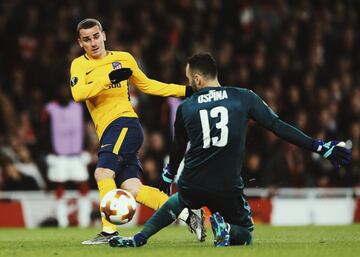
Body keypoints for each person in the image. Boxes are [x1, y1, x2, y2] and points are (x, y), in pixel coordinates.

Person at [108, 52, 352, 248]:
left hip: (193, 180)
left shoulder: (186, 107)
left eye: (188, 78)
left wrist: (168, 175)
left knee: (179, 200)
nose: (188, 83)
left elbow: (178, 146)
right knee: (245, 233)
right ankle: (225, 229)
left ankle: (139, 239)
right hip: (227, 184)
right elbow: (277, 127)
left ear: (198, 80)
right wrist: (318, 146)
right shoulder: (243, 97)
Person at [69, 18, 204, 244]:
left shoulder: (124, 59)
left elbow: (148, 85)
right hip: (110, 131)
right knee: (132, 188)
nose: (93, 42)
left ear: (104, 35)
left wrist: (186, 90)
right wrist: (107, 79)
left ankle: (109, 231)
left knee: (102, 173)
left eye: (95, 36)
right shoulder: (79, 65)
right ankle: (189, 214)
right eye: (86, 39)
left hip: (123, 124)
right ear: (80, 43)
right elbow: (78, 94)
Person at [41, 85, 91, 227]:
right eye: (61, 90)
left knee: (83, 186)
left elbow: (85, 127)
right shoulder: (50, 109)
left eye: (65, 90)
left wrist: (87, 148)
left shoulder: (78, 108)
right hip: (59, 155)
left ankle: (84, 221)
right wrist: (47, 151)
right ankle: (62, 222)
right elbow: (43, 131)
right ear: (56, 93)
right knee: (59, 187)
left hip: (76, 154)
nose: (63, 93)